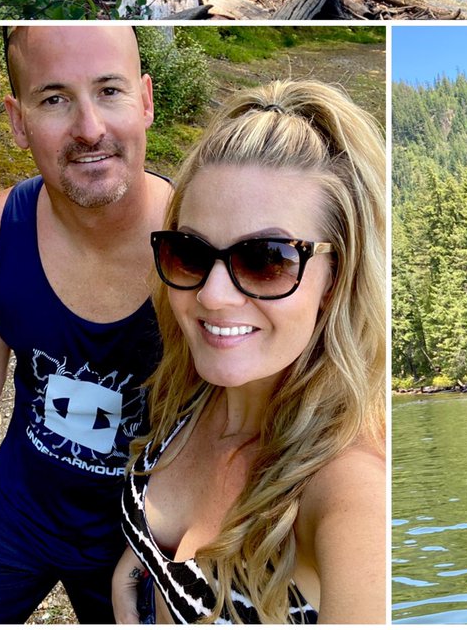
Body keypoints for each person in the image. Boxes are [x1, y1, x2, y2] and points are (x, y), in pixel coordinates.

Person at [0, 26, 171, 623]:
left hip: (142, 535)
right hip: (20, 508)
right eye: (54, 98)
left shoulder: (194, 247)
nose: (89, 129)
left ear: (146, 101)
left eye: (110, 91)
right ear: (18, 119)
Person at [112, 79, 386, 624]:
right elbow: (137, 566)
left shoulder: (352, 486)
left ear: (337, 278)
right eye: (189, 253)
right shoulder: (195, 386)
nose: (212, 296)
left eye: (266, 259)